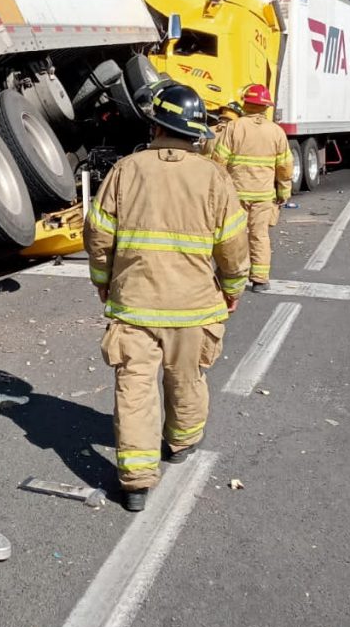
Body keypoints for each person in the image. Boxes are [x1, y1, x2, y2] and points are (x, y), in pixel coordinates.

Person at [84, 81, 248, 512]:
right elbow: (233, 244)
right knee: (187, 378)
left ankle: (136, 484)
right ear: (195, 133)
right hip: (195, 307)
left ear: (155, 125)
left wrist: (103, 280)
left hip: (134, 306)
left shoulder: (126, 170)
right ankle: (181, 443)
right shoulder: (213, 176)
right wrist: (233, 288)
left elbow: (98, 235)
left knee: (135, 390)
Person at [211, 83, 292, 293]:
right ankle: (260, 280)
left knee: (232, 236)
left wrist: (217, 191)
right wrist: (284, 191)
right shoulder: (276, 132)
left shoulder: (234, 127)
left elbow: (219, 161)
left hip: (236, 194)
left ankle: (228, 275)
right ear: (266, 107)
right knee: (259, 235)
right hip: (263, 196)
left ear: (246, 104)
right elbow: (284, 167)